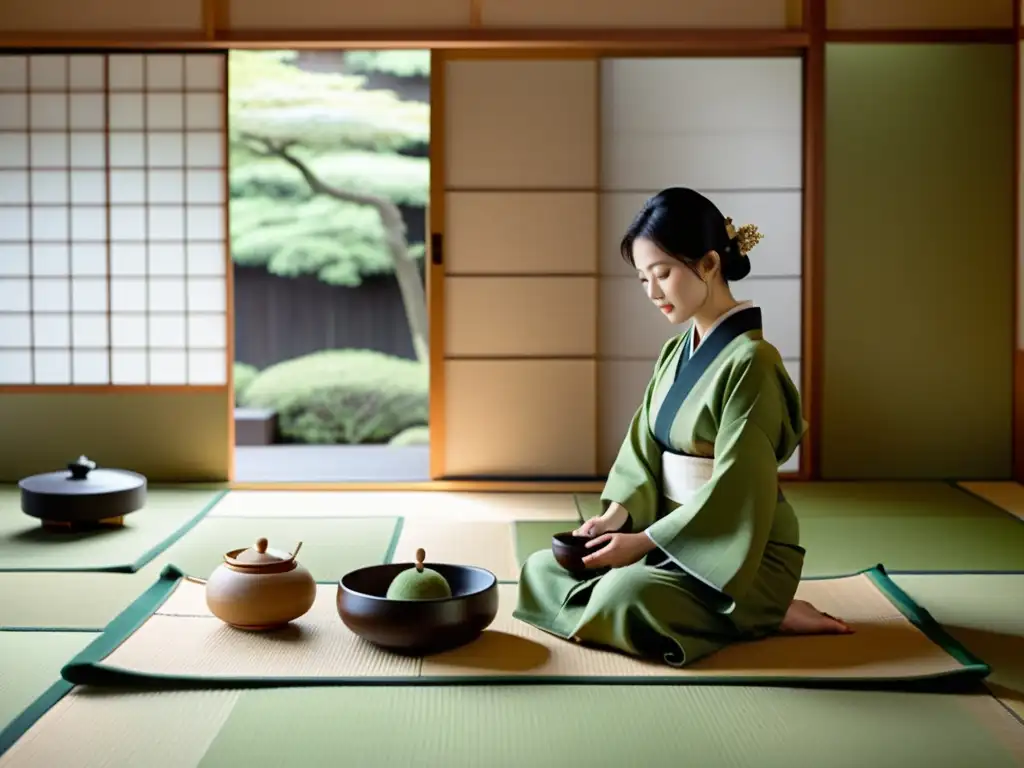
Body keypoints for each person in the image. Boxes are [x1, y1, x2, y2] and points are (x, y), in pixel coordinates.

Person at [513, 187, 852, 668]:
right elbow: (642, 451)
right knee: (541, 569)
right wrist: (616, 519)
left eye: (663, 274)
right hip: (666, 535)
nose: (652, 292)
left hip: (740, 551)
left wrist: (644, 544)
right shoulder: (676, 353)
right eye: (643, 279)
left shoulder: (752, 362)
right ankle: (711, 609)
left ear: (710, 264)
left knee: (627, 594)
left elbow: (738, 487)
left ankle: (765, 610)